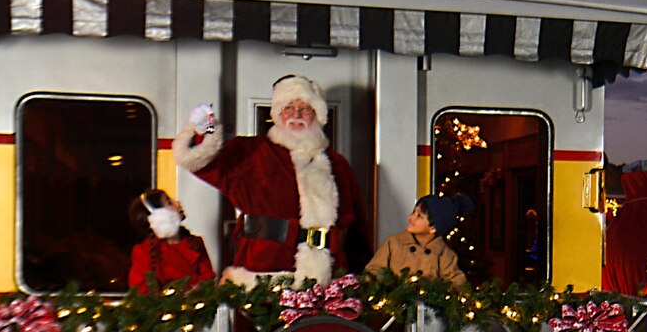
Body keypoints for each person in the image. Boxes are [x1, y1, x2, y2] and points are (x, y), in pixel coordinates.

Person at [173, 74, 371, 287]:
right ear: (277, 114)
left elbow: (356, 227)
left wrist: (364, 274)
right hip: (263, 277)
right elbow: (205, 161)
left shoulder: (337, 164)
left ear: (317, 115)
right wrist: (207, 129)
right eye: (288, 108)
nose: (296, 114)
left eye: (305, 109)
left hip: (330, 280)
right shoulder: (251, 153)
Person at [366, 193, 472, 287]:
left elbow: (457, 283)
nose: (411, 218)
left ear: (433, 228)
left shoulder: (444, 254)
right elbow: (374, 269)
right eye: (413, 212)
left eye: (419, 216)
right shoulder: (394, 243)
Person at [127, 189, 213, 293]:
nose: (178, 203)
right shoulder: (143, 251)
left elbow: (207, 277)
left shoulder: (195, 243)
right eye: (169, 203)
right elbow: (141, 291)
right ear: (158, 216)